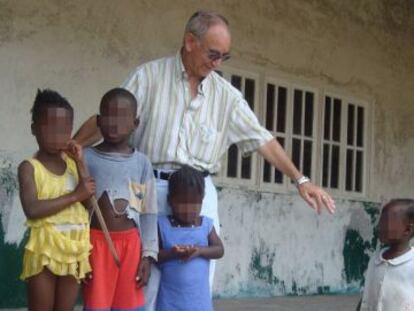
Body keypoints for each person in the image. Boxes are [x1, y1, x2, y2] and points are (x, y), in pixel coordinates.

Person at [74, 10, 336, 310]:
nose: (217, 64)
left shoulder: (227, 96)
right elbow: (109, 118)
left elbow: (260, 137)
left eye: (224, 57)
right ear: (190, 42)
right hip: (148, 187)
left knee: (194, 282)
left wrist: (300, 179)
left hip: (199, 196)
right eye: (213, 54)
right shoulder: (148, 77)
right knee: (143, 279)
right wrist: (72, 146)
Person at [18, 89, 95, 311]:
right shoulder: (29, 168)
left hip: (73, 251)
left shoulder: (73, 166)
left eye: (64, 129)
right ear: (34, 128)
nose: (57, 135)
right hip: (44, 250)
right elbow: (32, 208)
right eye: (49, 128)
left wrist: (80, 163)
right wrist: (75, 195)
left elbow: (89, 204)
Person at [81, 88, 158, 311]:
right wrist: (80, 253)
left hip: (131, 247)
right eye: (108, 115)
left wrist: (148, 255)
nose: (115, 123)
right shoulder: (86, 158)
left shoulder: (141, 163)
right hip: (95, 245)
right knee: (96, 305)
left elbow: (147, 212)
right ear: (98, 120)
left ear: (135, 123)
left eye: (123, 117)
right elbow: (78, 209)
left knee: (129, 306)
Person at [157, 165, 224, 311]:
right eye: (182, 204)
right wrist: (172, 253)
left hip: (199, 302)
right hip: (170, 302)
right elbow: (154, 255)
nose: (188, 210)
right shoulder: (163, 225)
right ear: (170, 201)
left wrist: (199, 251)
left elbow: (219, 250)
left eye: (194, 204)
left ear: (202, 201)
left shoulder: (205, 225)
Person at [356, 199, 414, 311]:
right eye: (381, 221)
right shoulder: (375, 259)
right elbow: (366, 296)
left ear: (408, 229)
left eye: (387, 222)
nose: (380, 226)